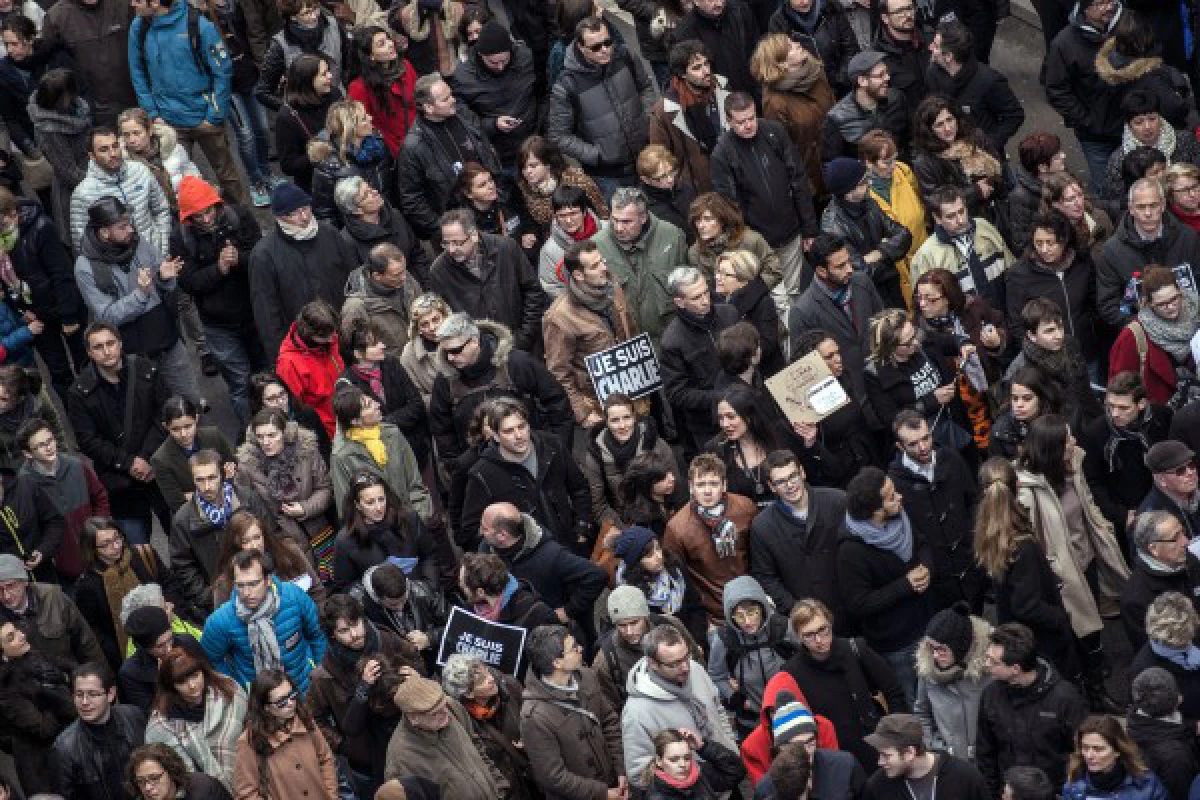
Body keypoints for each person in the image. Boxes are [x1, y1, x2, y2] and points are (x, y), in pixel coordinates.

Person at [1017, 414, 1129, 709]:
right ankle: (1086, 695)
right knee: (1075, 635)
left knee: (1093, 629)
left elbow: (1087, 506)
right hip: (1062, 577)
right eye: (1068, 439)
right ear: (1054, 448)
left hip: (1086, 561)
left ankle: (1095, 687)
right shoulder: (1027, 493)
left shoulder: (1074, 466)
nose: (1075, 442)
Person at [75, 195, 201, 403]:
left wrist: (163, 277)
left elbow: (160, 277)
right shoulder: (86, 267)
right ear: (105, 233)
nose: (131, 230)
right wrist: (140, 295)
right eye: (122, 227)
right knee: (153, 413)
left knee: (191, 402)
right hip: (133, 357)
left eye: (129, 224)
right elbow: (107, 317)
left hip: (166, 340)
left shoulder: (138, 242)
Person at [127, 0, 247, 206]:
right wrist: (151, 112)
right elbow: (136, 70)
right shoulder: (139, 27)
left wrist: (214, 115)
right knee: (176, 183)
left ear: (155, 2)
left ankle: (244, 223)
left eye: (138, 0)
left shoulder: (199, 25)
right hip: (167, 122)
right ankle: (190, 232)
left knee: (227, 177)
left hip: (204, 117)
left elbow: (222, 70)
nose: (132, 4)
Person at [428, 312, 572, 479]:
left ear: (474, 341)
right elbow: (442, 431)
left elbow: (558, 404)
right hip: (481, 471)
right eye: (446, 352)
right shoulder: (445, 381)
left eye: (456, 350)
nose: (450, 358)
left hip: (534, 462)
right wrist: (458, 468)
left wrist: (555, 453)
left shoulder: (517, 364)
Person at [308, 593, 422, 798]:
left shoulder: (387, 641)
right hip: (366, 759)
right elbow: (315, 719)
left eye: (356, 623)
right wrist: (343, 745)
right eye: (344, 630)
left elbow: (416, 661)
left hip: (410, 740)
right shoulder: (325, 675)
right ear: (333, 634)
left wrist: (416, 676)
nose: (354, 634)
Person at [172, 175, 266, 423]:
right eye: (198, 216)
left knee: (267, 379)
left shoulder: (239, 217)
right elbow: (188, 283)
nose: (205, 219)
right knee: (240, 386)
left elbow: (261, 256)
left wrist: (240, 260)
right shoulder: (181, 238)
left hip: (254, 313)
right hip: (219, 325)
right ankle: (252, 435)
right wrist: (220, 269)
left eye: (208, 211)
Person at [67, 323, 171, 545]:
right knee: (136, 550)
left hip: (159, 468)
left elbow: (164, 414)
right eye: (99, 347)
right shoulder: (80, 392)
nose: (107, 351)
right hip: (121, 483)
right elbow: (87, 440)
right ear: (89, 352)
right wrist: (129, 463)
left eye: (111, 343)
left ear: (120, 343)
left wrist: (146, 457)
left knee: (183, 536)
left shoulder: (145, 370)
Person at [711, 91, 818, 304]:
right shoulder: (723, 153)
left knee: (794, 292)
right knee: (776, 299)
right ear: (729, 121)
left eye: (751, 118)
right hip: (758, 242)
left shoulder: (774, 132)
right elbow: (730, 205)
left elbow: (798, 179)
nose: (749, 125)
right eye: (741, 122)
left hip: (790, 230)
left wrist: (809, 228)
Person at [838, 465, 932, 707]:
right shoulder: (851, 551)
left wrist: (925, 568)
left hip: (925, 623)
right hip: (896, 644)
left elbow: (921, 543)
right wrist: (905, 585)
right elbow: (858, 603)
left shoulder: (899, 516)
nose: (899, 497)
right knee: (914, 704)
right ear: (875, 511)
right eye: (891, 497)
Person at [462, 398, 592, 552]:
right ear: (495, 436)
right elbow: (472, 530)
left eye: (522, 426)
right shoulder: (482, 474)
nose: (518, 435)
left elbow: (579, 488)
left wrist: (582, 529)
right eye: (509, 431)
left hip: (571, 544)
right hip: (529, 559)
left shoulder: (552, 445)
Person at [976, 623, 1090, 798]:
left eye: (993, 661)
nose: (986, 664)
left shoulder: (1065, 698)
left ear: (1015, 669)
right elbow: (985, 752)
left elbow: (1080, 752)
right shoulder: (991, 695)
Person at [622, 623, 738, 789]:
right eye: (674, 664)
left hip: (727, 777)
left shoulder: (696, 670)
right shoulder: (637, 712)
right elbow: (638, 774)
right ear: (653, 663)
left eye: (686, 658)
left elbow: (718, 710)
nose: (685, 668)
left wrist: (731, 747)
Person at [248, 183, 359, 357]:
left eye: (306, 208)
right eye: (294, 213)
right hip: (305, 347)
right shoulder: (264, 255)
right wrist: (281, 356)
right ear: (280, 217)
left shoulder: (330, 234)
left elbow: (354, 278)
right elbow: (267, 313)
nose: (304, 216)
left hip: (345, 333)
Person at [520, 624, 627, 799]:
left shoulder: (587, 677)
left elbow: (609, 721)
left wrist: (620, 769)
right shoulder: (534, 717)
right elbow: (553, 777)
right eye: (573, 648)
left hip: (612, 783)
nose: (580, 649)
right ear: (557, 662)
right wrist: (602, 794)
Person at [0, 187, 86, 402]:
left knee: (84, 363)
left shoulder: (40, 228)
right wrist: (22, 311)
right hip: (37, 317)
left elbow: (61, 273)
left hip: (62, 307)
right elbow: (8, 285)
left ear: (12, 214)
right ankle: (77, 417)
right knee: (59, 373)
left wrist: (68, 315)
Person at [543, 239, 640, 427]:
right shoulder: (560, 317)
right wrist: (582, 412)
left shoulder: (613, 289)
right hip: (597, 402)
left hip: (633, 388)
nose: (604, 268)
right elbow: (558, 372)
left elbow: (631, 330)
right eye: (595, 266)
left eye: (602, 261)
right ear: (579, 275)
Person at [202, 548, 326, 693]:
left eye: (253, 584)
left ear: (268, 580)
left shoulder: (293, 596)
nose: (247, 593)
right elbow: (210, 660)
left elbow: (317, 634)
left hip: (305, 688)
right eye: (240, 585)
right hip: (261, 700)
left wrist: (319, 673)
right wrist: (238, 688)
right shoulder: (222, 621)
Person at [864, 308, 979, 462]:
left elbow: (950, 341)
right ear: (890, 347)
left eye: (914, 334)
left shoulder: (921, 340)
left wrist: (963, 344)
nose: (916, 342)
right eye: (908, 343)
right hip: (923, 445)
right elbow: (891, 419)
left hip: (955, 426)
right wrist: (930, 401)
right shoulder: (875, 375)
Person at [479, 502, 606, 640]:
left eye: (485, 528)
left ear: (502, 535)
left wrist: (569, 611)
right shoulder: (486, 550)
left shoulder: (551, 555)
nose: (480, 531)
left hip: (555, 637)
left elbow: (596, 575)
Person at [396, 75, 501, 241]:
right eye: (445, 99)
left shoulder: (464, 117)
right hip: (456, 230)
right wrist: (444, 229)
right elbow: (412, 200)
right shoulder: (413, 147)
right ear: (428, 108)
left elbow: (487, 153)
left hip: (490, 214)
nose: (453, 100)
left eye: (451, 95)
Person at [430, 209, 547, 354]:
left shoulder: (506, 248)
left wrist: (524, 337)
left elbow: (533, 291)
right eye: (446, 243)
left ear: (474, 236)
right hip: (479, 355)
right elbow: (446, 318)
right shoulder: (440, 271)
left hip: (524, 345)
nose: (451, 249)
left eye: (457, 242)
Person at [788, 233, 885, 406]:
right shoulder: (802, 311)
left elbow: (883, 322)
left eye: (848, 261)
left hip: (883, 384)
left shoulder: (862, 281)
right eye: (840, 266)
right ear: (821, 271)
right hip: (849, 399)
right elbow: (806, 370)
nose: (849, 269)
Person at [1095, 178, 1200, 329]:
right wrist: (1145, 328)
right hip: (1144, 335)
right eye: (1141, 207)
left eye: (1153, 205)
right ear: (1130, 209)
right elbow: (1109, 306)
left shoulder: (1188, 237)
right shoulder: (1111, 252)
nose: (1148, 213)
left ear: (1163, 205)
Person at [171, 450, 268, 612]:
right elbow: (183, 566)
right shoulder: (183, 519)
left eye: (212, 478)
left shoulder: (247, 499)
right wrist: (207, 596)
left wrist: (266, 573)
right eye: (200, 480)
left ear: (222, 474)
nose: (207, 487)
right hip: (222, 601)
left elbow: (270, 538)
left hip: (260, 586)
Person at [1081, 371, 1172, 542]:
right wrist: (1120, 515)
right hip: (1124, 515)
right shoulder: (1096, 432)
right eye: (1110, 406)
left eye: (1123, 408)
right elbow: (1093, 481)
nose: (1115, 413)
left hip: (1163, 504)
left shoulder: (1162, 418)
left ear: (1142, 404)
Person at [663, 454, 755, 623]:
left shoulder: (745, 508)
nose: (707, 491)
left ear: (724, 485)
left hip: (752, 599)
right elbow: (678, 579)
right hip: (714, 613)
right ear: (691, 487)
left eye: (713, 484)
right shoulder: (677, 528)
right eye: (700, 484)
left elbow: (758, 554)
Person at [593, 187, 688, 346]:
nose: (618, 228)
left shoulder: (672, 236)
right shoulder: (597, 246)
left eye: (626, 222)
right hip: (627, 345)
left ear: (643, 217)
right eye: (614, 219)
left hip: (668, 339)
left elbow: (685, 286)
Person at [144, 647, 247, 792]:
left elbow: (254, 734)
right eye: (181, 682)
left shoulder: (229, 690)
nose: (192, 686)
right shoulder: (161, 725)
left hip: (252, 782)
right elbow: (177, 779)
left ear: (203, 671)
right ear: (171, 686)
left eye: (195, 675)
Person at [384, 673, 504, 798]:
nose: (446, 714)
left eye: (444, 706)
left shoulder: (452, 707)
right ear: (413, 718)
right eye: (435, 713)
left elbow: (477, 747)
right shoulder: (401, 759)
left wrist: (499, 787)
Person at [1044, 0, 1123, 189]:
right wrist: (1086, 121)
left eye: (1110, 0)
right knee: (1106, 187)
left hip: (1132, 126)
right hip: (1096, 135)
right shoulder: (1064, 44)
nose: (1108, 7)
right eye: (1100, 3)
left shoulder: (1127, 26)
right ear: (1085, 9)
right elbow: (1057, 90)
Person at [1006, 209, 1100, 367]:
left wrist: (1090, 329)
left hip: (1086, 353)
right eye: (1038, 243)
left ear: (1064, 240)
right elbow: (1016, 324)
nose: (1043, 249)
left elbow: (1093, 301)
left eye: (1050, 243)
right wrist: (1037, 355)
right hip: (1046, 361)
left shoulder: (1082, 263)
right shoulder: (1019, 275)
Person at [661, 267, 740, 455]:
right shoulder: (672, 341)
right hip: (708, 425)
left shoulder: (729, 314)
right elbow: (677, 393)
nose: (705, 301)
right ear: (679, 302)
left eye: (706, 292)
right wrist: (719, 398)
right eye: (697, 297)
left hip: (746, 409)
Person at [236, 406, 333, 558]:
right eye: (260, 436)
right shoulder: (248, 466)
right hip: (283, 542)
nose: (265, 442)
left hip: (317, 529)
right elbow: (247, 511)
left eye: (271, 435)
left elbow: (325, 488)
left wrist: (305, 508)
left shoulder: (306, 451)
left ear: (285, 434)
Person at [709, 575, 800, 737]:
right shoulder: (724, 639)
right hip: (752, 720)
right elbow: (717, 675)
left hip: (792, 711)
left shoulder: (782, 627)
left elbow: (805, 655)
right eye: (739, 616)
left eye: (752, 612)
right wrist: (735, 698)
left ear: (762, 608)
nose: (747, 621)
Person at [17, 417, 106, 582]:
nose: (49, 447)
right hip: (63, 567)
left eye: (50, 440)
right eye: (41, 445)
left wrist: (100, 529)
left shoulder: (76, 465)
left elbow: (100, 496)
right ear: (28, 453)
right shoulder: (24, 486)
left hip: (97, 553)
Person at [440, 653, 539, 800]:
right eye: (482, 680)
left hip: (534, 776)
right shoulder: (460, 721)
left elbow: (535, 717)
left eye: (487, 671)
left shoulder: (510, 686)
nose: (491, 678)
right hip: (509, 789)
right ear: (468, 693)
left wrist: (531, 739)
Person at [74, 517, 170, 668]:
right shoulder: (88, 585)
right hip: (127, 655)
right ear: (92, 549)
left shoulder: (142, 555)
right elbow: (93, 629)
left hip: (167, 633)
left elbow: (169, 584)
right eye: (106, 544)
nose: (116, 546)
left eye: (117, 538)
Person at [329, 386, 433, 522]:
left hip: (413, 520)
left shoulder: (392, 434)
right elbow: (347, 509)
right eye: (369, 406)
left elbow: (414, 481)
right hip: (380, 533)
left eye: (372, 401)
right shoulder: (342, 456)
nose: (377, 405)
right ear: (355, 421)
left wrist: (419, 516)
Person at [821, 156, 912, 310]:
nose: (869, 183)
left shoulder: (868, 202)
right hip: (866, 297)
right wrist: (891, 254)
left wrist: (880, 252)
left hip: (892, 286)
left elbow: (904, 235)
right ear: (848, 192)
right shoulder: (833, 226)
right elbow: (861, 272)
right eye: (863, 182)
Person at [232, 668, 338, 800]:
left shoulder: (305, 718)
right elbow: (247, 793)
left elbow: (325, 758)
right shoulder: (249, 741)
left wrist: (331, 796)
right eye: (281, 701)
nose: (290, 703)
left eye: (292, 695)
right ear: (266, 707)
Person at [0, 618, 76, 797]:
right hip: (43, 765)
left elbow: (71, 668)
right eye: (11, 638)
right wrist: (55, 697)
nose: (22, 636)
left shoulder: (31, 655)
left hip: (68, 745)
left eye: (17, 631)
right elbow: (43, 728)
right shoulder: (6, 688)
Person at [449, 21, 539, 170]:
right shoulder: (464, 78)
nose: (500, 67)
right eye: (493, 62)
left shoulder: (525, 57)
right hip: (498, 151)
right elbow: (462, 116)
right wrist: (493, 124)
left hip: (532, 140)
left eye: (504, 60)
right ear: (480, 54)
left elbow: (542, 91)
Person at [925, 19, 1024, 154]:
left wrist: (990, 144)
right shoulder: (932, 74)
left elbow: (1014, 115)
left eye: (936, 46)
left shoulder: (989, 81)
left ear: (948, 56)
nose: (930, 47)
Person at [70, 128, 173, 257]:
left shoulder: (140, 171)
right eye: (104, 149)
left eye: (115, 146)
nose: (113, 153)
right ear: (92, 156)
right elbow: (83, 243)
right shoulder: (83, 193)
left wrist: (162, 250)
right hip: (120, 266)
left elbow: (161, 210)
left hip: (155, 254)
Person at [584, 393, 680, 529]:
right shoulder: (596, 455)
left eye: (627, 418)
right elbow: (598, 506)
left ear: (634, 417)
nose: (622, 425)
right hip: (625, 523)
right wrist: (627, 532)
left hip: (662, 518)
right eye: (615, 420)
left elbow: (675, 487)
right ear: (606, 421)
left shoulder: (655, 444)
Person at [910, 186, 1014, 312]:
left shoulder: (985, 228)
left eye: (961, 211)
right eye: (950, 216)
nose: (960, 220)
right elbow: (925, 306)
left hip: (1004, 313)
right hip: (965, 324)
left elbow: (1012, 271)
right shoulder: (926, 255)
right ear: (937, 219)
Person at [52, 662, 146, 800]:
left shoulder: (133, 717)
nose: (84, 702)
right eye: (79, 694)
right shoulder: (64, 747)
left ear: (110, 694)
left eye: (92, 694)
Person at [649, 41, 732, 195]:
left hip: (731, 178)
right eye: (696, 68)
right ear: (682, 74)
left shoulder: (722, 87)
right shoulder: (665, 111)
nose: (706, 71)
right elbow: (660, 158)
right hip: (698, 191)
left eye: (706, 64)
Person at [1110, 266, 1200, 407]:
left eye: (1174, 299)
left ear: (1180, 291)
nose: (1170, 307)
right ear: (1150, 304)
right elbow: (1119, 387)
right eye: (1162, 304)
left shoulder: (1196, 312)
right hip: (1161, 414)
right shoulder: (1133, 335)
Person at [1099, 90, 1200, 215]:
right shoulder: (1118, 160)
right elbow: (1114, 203)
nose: (1147, 126)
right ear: (1129, 126)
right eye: (1139, 122)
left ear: (1160, 118)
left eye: (1152, 119)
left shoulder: (1185, 140)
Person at [332, 470, 435, 591]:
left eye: (381, 499)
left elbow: (429, 556)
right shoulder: (345, 540)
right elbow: (346, 585)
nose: (379, 508)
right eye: (370, 502)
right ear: (357, 505)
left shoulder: (408, 519)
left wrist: (428, 588)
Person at [913, 604, 992, 760]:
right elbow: (922, 712)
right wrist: (932, 745)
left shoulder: (988, 670)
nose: (935, 655)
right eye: (932, 648)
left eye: (942, 649)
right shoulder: (927, 671)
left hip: (986, 760)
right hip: (949, 760)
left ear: (960, 647)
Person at [39, 0, 134, 127]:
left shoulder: (125, 5)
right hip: (89, 114)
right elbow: (52, 73)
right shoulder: (56, 17)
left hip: (133, 105)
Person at [1009, 297, 1101, 425]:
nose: (1059, 335)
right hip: (1056, 433)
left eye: (1060, 327)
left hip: (1085, 421)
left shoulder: (1070, 345)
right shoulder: (1021, 369)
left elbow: (1085, 391)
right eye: (1049, 331)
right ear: (1032, 335)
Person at [307, 99, 395, 226]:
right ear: (350, 128)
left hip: (386, 221)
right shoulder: (329, 166)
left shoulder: (378, 145)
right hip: (356, 234)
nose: (370, 118)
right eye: (364, 118)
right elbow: (325, 213)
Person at [862, 712, 989, 800]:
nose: (880, 762)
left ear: (909, 753)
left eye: (886, 755)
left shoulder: (965, 777)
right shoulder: (877, 786)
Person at [913, 267, 1007, 384]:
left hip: (993, 383)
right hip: (956, 393)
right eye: (919, 297)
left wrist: (997, 342)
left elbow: (1003, 328)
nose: (922, 304)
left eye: (930, 299)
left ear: (948, 298)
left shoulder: (975, 308)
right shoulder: (917, 330)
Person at [212, 510, 322, 607]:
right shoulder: (225, 584)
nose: (254, 545)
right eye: (246, 541)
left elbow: (317, 591)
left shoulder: (289, 552)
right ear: (235, 545)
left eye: (257, 537)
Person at [151, 395, 236, 514]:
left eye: (188, 426)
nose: (183, 434)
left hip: (229, 508)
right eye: (175, 429)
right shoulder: (160, 459)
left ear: (196, 419)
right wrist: (221, 488)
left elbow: (234, 470)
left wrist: (191, 496)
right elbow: (176, 502)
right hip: (195, 518)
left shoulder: (214, 436)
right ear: (166, 427)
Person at [822, 51, 910, 164]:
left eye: (887, 72)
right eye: (881, 75)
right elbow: (832, 164)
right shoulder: (838, 118)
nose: (887, 77)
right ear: (862, 81)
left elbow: (911, 140)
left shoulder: (897, 99)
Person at [1121, 511, 1192, 651]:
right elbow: (1155, 652)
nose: (1186, 542)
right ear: (1153, 549)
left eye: (1183, 533)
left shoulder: (1190, 561)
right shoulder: (1136, 600)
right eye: (1175, 538)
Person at [337, 191, 429, 299]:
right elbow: (360, 283)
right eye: (366, 195)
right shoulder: (347, 241)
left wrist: (427, 287)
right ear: (357, 210)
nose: (375, 192)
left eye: (370, 188)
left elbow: (417, 254)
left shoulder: (395, 216)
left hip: (415, 290)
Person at [255, 0, 344, 110]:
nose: (314, 16)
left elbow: (347, 62)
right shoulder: (280, 45)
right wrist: (293, 110)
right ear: (293, 17)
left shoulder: (333, 24)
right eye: (306, 13)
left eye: (316, 9)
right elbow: (262, 91)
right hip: (308, 111)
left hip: (338, 103)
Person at [1127, 667, 1200, 800]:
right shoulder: (1175, 757)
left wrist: (1191, 726)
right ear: (1176, 700)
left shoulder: (1137, 718)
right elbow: (1183, 793)